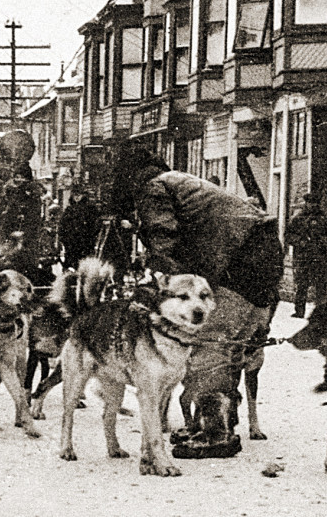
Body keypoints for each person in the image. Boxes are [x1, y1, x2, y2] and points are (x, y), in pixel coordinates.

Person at [111, 143, 281, 458]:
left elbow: (165, 242)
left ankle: (215, 433)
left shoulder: (154, 189)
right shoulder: (179, 181)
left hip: (238, 260)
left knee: (208, 345)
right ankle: (214, 420)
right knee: (229, 346)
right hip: (262, 252)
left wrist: (165, 287)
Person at [285, 192, 327, 318]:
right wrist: (300, 241)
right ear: (306, 203)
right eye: (310, 203)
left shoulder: (324, 219)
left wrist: (322, 241)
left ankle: (321, 312)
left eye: (315, 203)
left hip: (319, 256)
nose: (313, 206)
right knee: (302, 285)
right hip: (303, 256)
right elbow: (288, 235)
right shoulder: (298, 219)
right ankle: (299, 311)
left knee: (321, 285)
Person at [58, 189, 101, 270]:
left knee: (84, 264)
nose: (77, 197)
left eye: (79, 195)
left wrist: (90, 236)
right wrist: (63, 238)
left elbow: (94, 225)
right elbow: (63, 225)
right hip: (71, 242)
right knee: (70, 263)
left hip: (85, 241)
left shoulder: (89, 209)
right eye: (75, 195)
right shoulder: (69, 210)